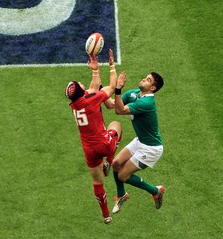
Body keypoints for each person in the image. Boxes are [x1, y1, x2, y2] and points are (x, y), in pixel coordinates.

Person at [65, 49, 123, 224]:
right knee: (116, 125)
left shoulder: (75, 105)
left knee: (97, 183)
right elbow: (112, 87)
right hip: (103, 144)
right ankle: (110, 160)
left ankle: (106, 215)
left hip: (89, 149)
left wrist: (95, 70)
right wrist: (112, 65)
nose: (82, 83)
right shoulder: (91, 99)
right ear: (82, 92)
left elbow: (92, 87)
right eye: (80, 84)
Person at [111, 71, 165, 214]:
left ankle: (155, 191)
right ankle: (121, 195)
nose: (143, 79)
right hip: (140, 141)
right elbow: (112, 104)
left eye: (148, 80)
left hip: (151, 149)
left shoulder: (146, 102)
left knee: (123, 175)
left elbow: (119, 110)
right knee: (115, 164)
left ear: (152, 88)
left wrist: (117, 90)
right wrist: (100, 91)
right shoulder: (134, 94)